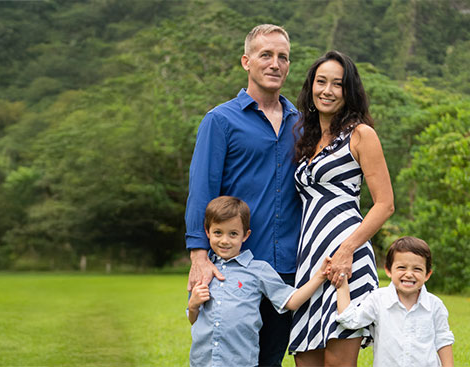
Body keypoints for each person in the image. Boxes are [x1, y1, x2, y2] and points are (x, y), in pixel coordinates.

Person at [183, 24, 301, 366]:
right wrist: (199, 257)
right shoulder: (219, 121)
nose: (275, 64)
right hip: (231, 269)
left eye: (283, 57)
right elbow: (201, 191)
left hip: (286, 270)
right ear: (246, 61)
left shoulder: (303, 124)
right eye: (266, 55)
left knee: (269, 361)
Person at [289, 51, 395, 367]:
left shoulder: (361, 134)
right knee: (305, 357)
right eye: (321, 82)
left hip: (348, 260)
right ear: (310, 87)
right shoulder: (305, 138)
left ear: (349, 92)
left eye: (338, 84)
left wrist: (347, 249)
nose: (328, 90)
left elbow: (385, 204)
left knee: (338, 363)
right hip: (310, 262)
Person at [188, 196, 329, 367]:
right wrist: (194, 304)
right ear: (207, 231)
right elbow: (194, 319)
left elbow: (291, 301)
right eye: (218, 232)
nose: (225, 240)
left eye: (233, 234)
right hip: (203, 361)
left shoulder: (258, 270)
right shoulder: (203, 271)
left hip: (241, 361)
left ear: (245, 235)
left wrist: (320, 276)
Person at [334, 236, 455, 367]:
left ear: (427, 274)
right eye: (402, 267)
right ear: (388, 270)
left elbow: (443, 340)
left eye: (417, 269)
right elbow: (350, 320)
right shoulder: (378, 300)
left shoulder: (435, 305)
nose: (409, 274)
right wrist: (342, 284)